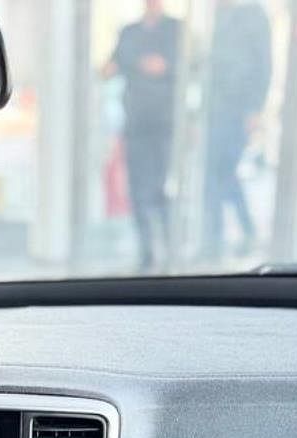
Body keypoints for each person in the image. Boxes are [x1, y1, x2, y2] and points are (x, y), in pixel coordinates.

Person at [106, 0, 183, 271]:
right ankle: (146, 252)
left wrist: (163, 65)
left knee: (162, 187)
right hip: (136, 122)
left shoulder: (176, 30)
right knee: (138, 189)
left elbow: (188, 65)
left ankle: (171, 248)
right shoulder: (129, 32)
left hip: (166, 123)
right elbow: (113, 64)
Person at [202, 0, 273, 262]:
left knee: (221, 173)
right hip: (214, 110)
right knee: (216, 174)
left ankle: (230, 234)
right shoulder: (219, 16)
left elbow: (263, 64)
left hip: (237, 110)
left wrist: (254, 109)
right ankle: (219, 236)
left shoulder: (253, 14)